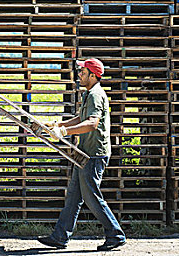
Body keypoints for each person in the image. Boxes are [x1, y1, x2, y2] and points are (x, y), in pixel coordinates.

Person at [37, 58, 126, 251]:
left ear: (93, 75)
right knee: (74, 196)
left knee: (91, 197)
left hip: (94, 154)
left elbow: (92, 123)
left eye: (83, 72)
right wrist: (59, 125)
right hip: (85, 152)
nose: (79, 75)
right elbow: (81, 118)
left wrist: (65, 133)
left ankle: (116, 234)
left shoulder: (95, 95)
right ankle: (60, 236)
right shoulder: (88, 94)